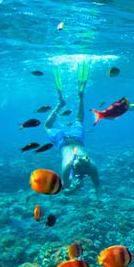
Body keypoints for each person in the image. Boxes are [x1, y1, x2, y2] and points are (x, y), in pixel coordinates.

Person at [43, 60, 100, 194]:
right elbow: (66, 189)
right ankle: (70, 100)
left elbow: (96, 186)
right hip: (63, 141)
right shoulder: (72, 165)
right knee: (48, 126)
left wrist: (73, 186)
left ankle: (73, 99)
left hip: (75, 138)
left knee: (73, 120)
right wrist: (74, 188)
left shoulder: (89, 166)